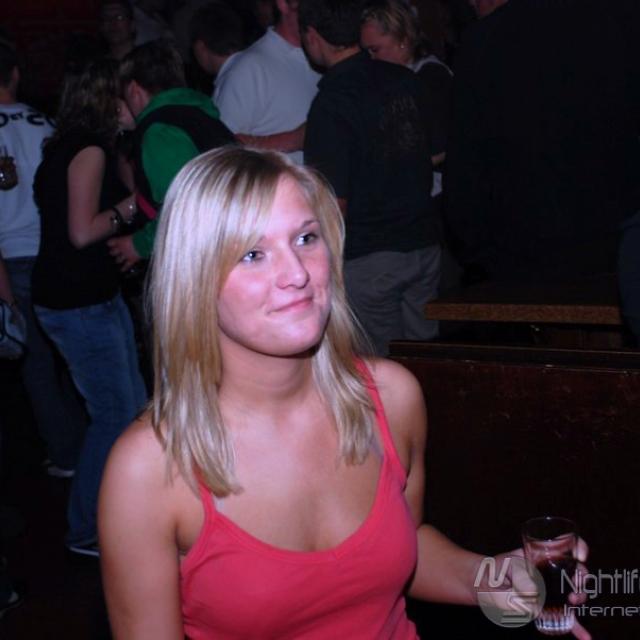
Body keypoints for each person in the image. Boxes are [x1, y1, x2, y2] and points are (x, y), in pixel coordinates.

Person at [99, 147, 590, 639]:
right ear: (194, 280)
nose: (297, 273)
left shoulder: (390, 397)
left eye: (306, 238)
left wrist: (492, 577)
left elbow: (402, 548)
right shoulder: (148, 470)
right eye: (252, 254)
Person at [31, 58, 147, 556]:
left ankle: (124, 512)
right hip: (78, 302)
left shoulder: (71, 146)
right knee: (115, 415)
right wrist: (134, 206)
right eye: (123, 94)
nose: (133, 101)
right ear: (105, 99)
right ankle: (86, 528)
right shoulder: (89, 150)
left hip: (89, 297)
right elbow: (82, 232)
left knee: (130, 408)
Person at [301, 0, 440, 355]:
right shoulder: (405, 80)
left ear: (313, 36)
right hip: (424, 245)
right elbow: (436, 151)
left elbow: (333, 202)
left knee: (381, 366)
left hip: (371, 257)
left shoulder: (333, 102)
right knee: (425, 360)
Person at [0, 40, 87, 477]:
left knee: (36, 363)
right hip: (55, 250)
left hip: (12, 256)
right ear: (15, 74)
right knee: (66, 356)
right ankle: (83, 444)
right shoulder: (47, 124)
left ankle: (67, 452)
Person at [107, 38, 234, 272]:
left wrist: (139, 245)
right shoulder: (199, 114)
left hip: (203, 259)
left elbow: (182, 210)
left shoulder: (160, 132)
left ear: (134, 90)